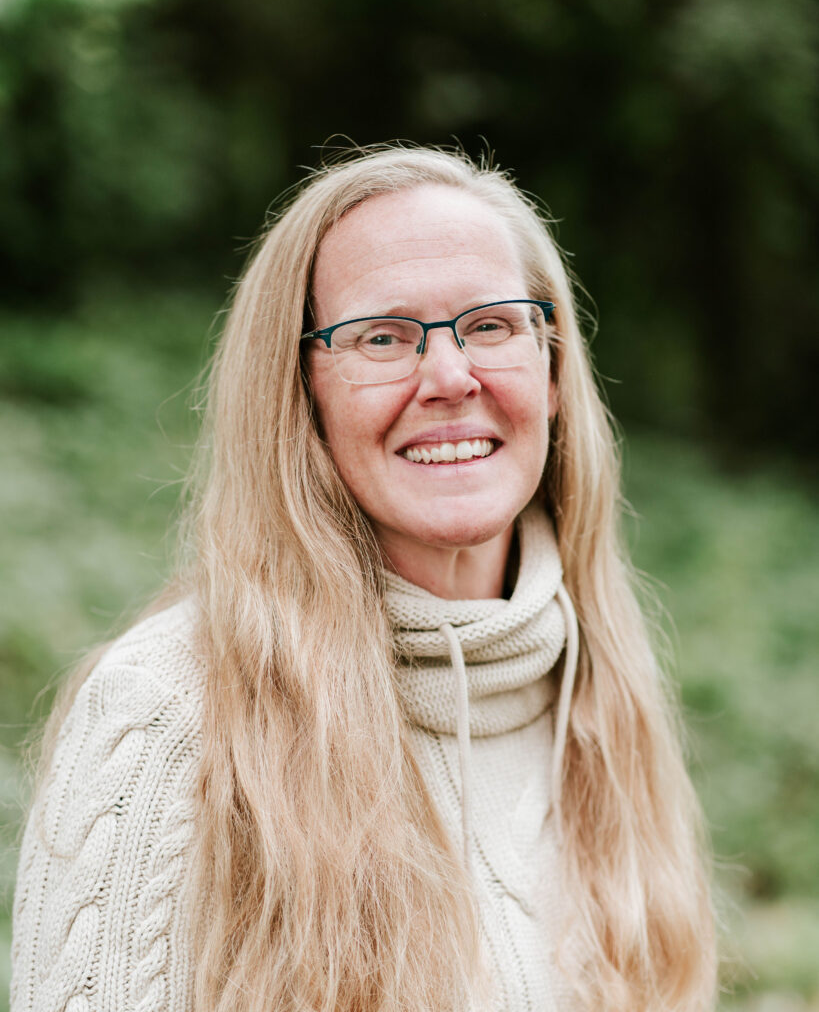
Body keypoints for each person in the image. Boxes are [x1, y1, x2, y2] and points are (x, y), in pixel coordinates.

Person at [11, 145, 717, 1012]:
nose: (450, 377)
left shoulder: (599, 690)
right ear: (300, 396)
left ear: (553, 369)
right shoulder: (169, 714)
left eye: (491, 326)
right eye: (382, 337)